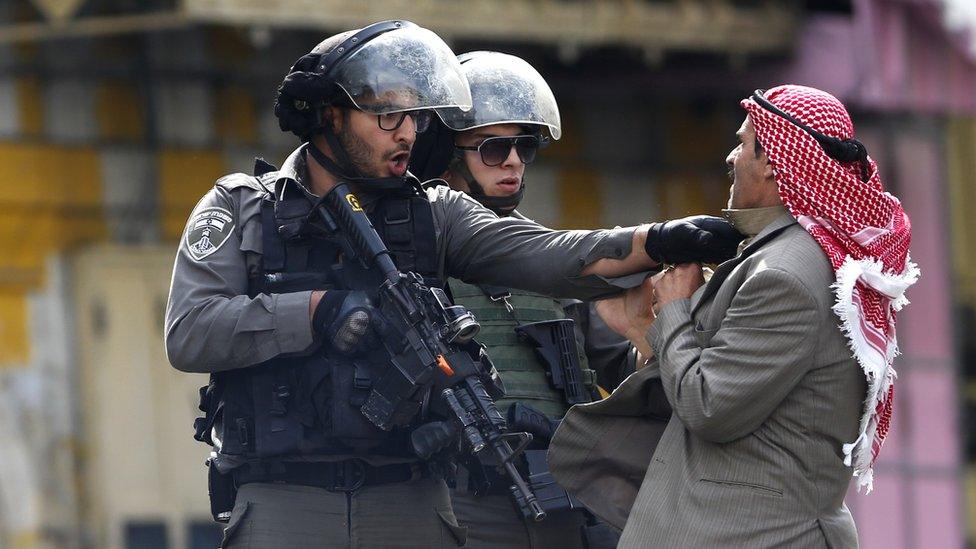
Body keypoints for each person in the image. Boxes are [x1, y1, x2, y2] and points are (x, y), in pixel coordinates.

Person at [165, 20, 742, 549]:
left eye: (415, 118)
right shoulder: (242, 207)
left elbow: (547, 255)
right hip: (284, 499)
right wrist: (318, 310)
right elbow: (190, 331)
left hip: (411, 497)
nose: (407, 134)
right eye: (388, 117)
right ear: (332, 116)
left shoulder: (434, 212)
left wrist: (659, 240)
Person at [548, 84, 919, 548]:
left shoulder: (783, 275)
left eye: (742, 144)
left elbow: (710, 406)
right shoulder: (794, 259)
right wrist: (647, 328)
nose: (731, 157)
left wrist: (676, 308)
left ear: (773, 162)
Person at [410, 50, 631, 548]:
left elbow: (619, 363)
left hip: (562, 491)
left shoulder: (552, 258)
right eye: (492, 148)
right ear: (446, 153)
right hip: (462, 497)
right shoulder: (412, 256)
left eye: (523, 146)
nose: (512, 161)